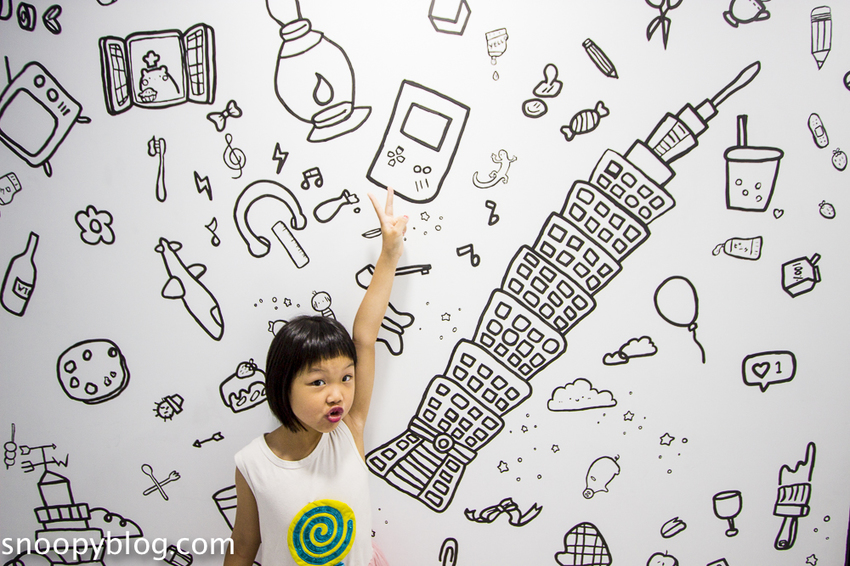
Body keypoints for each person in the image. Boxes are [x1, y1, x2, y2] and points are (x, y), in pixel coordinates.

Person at [224, 188, 407, 566]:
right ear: (282, 385)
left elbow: (365, 337)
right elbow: (242, 547)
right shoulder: (253, 464)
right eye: (318, 382)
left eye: (346, 378)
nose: (337, 394)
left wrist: (389, 253)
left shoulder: (350, 430)